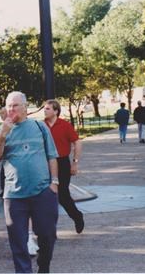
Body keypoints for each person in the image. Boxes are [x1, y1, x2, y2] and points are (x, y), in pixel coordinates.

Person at [0, 91, 59, 273]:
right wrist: (3, 134)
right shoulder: (2, 130)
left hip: (43, 192)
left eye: (15, 105)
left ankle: (43, 267)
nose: (11, 109)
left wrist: (54, 183)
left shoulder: (39, 127)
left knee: (47, 236)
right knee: (18, 242)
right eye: (9, 106)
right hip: (14, 196)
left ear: (25, 107)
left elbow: (52, 156)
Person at [44, 100, 84, 234]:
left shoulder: (65, 125)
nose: (45, 111)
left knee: (62, 195)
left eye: (48, 109)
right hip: (45, 163)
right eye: (45, 108)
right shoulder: (41, 126)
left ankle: (77, 216)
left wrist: (75, 162)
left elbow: (77, 142)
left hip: (62, 163)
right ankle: (48, 229)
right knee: (45, 195)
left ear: (56, 111)